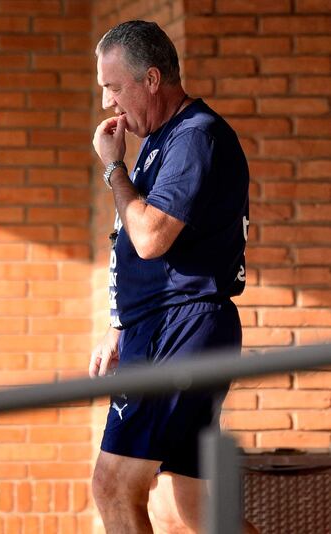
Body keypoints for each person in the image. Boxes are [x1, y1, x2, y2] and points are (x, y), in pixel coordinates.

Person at [89, 21, 255, 534]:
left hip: (180, 327)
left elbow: (149, 237)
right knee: (188, 510)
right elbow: (131, 245)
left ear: (152, 79)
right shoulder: (162, 140)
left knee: (114, 487)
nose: (107, 102)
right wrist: (119, 325)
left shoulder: (195, 136)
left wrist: (113, 170)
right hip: (161, 328)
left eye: (114, 87)